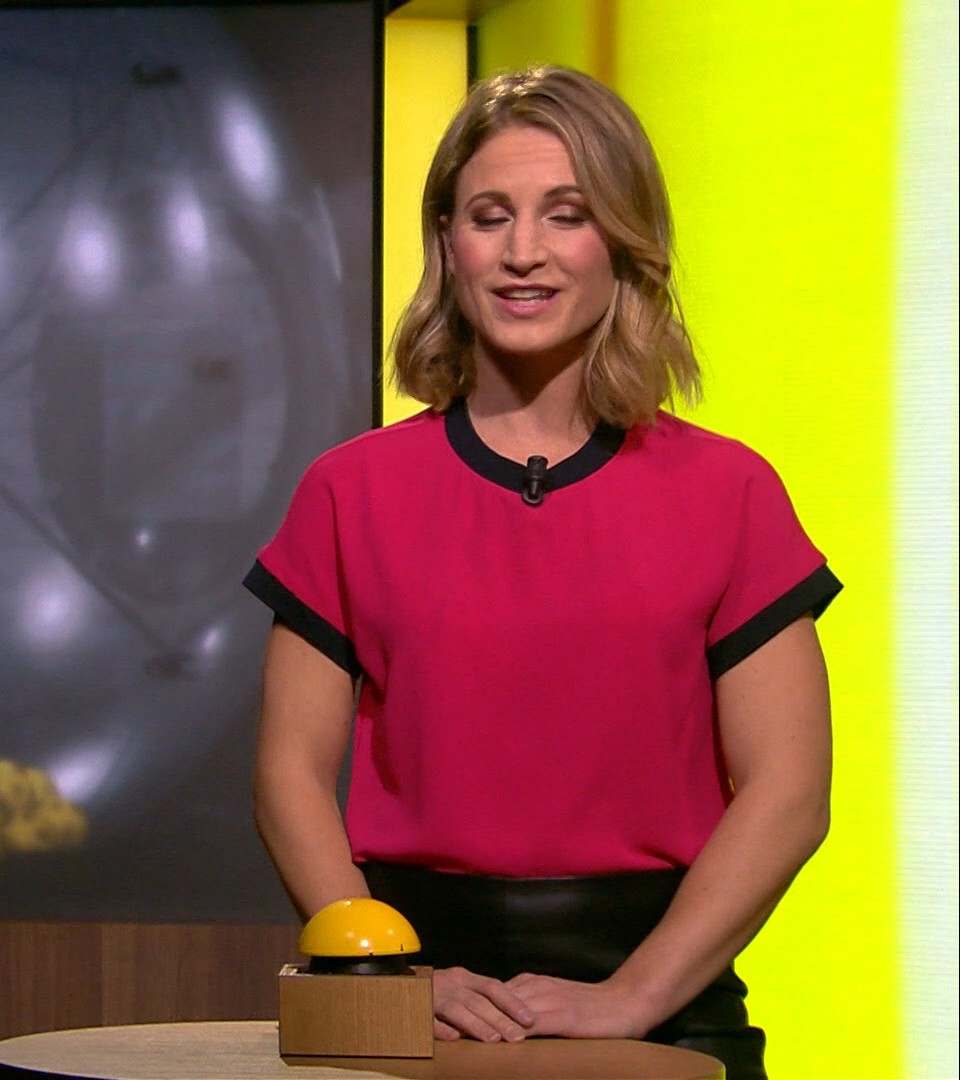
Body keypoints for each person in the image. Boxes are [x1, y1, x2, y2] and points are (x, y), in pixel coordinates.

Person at [244, 66, 837, 1080]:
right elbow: (288, 773)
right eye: (490, 217)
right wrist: (386, 973)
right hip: (414, 989)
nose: (524, 251)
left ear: (624, 241)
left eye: (567, 214)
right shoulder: (350, 490)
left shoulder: (730, 491)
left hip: (668, 992)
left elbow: (790, 789)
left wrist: (634, 997)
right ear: (448, 244)